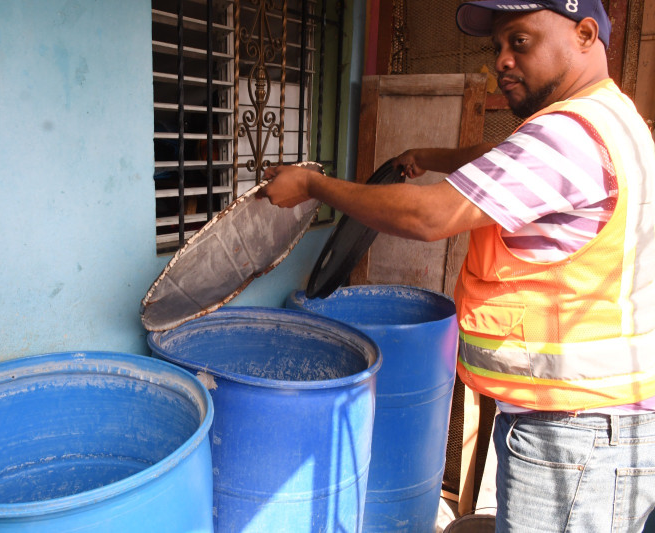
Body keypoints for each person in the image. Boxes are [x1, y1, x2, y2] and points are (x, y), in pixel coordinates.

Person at [258, 0, 655, 530]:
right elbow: (506, 162)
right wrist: (431, 155)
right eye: (498, 47)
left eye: (520, 41)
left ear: (585, 34)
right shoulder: (612, 119)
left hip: (573, 431)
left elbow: (432, 215)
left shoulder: (567, 134)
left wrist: (312, 185)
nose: (502, 62)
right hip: (596, 419)